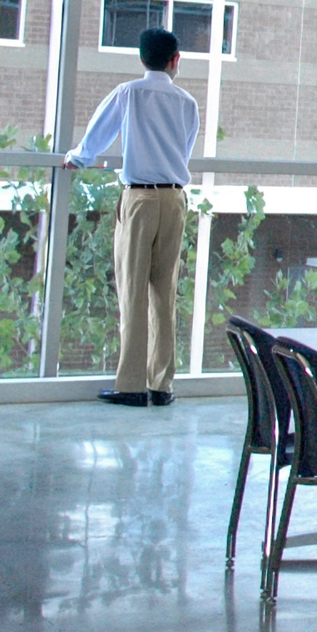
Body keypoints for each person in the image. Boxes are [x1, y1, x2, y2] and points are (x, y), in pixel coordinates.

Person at [64, 28, 202, 408]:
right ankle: (161, 385)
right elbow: (185, 150)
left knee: (133, 290)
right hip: (174, 199)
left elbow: (98, 135)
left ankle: (131, 385)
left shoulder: (128, 93)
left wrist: (77, 158)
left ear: (142, 58)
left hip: (139, 198)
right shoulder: (187, 102)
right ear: (175, 60)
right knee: (164, 292)